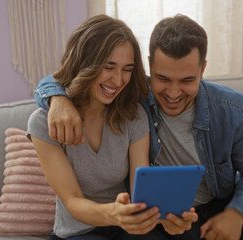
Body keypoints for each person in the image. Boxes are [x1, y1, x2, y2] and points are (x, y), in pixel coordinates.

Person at [34, 14, 243, 240]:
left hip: (219, 199)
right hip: (167, 211)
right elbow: (70, 75)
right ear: (149, 67)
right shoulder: (134, 97)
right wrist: (57, 97)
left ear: (203, 70)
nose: (172, 93)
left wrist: (237, 214)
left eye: (186, 81)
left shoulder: (233, 109)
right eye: (162, 78)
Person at [28, 15, 189, 240]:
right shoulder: (44, 122)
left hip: (124, 227)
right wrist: (113, 214)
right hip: (77, 232)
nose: (117, 80)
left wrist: (168, 219)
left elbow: (139, 192)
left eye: (127, 69)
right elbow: (73, 201)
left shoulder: (133, 116)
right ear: (85, 63)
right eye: (108, 66)